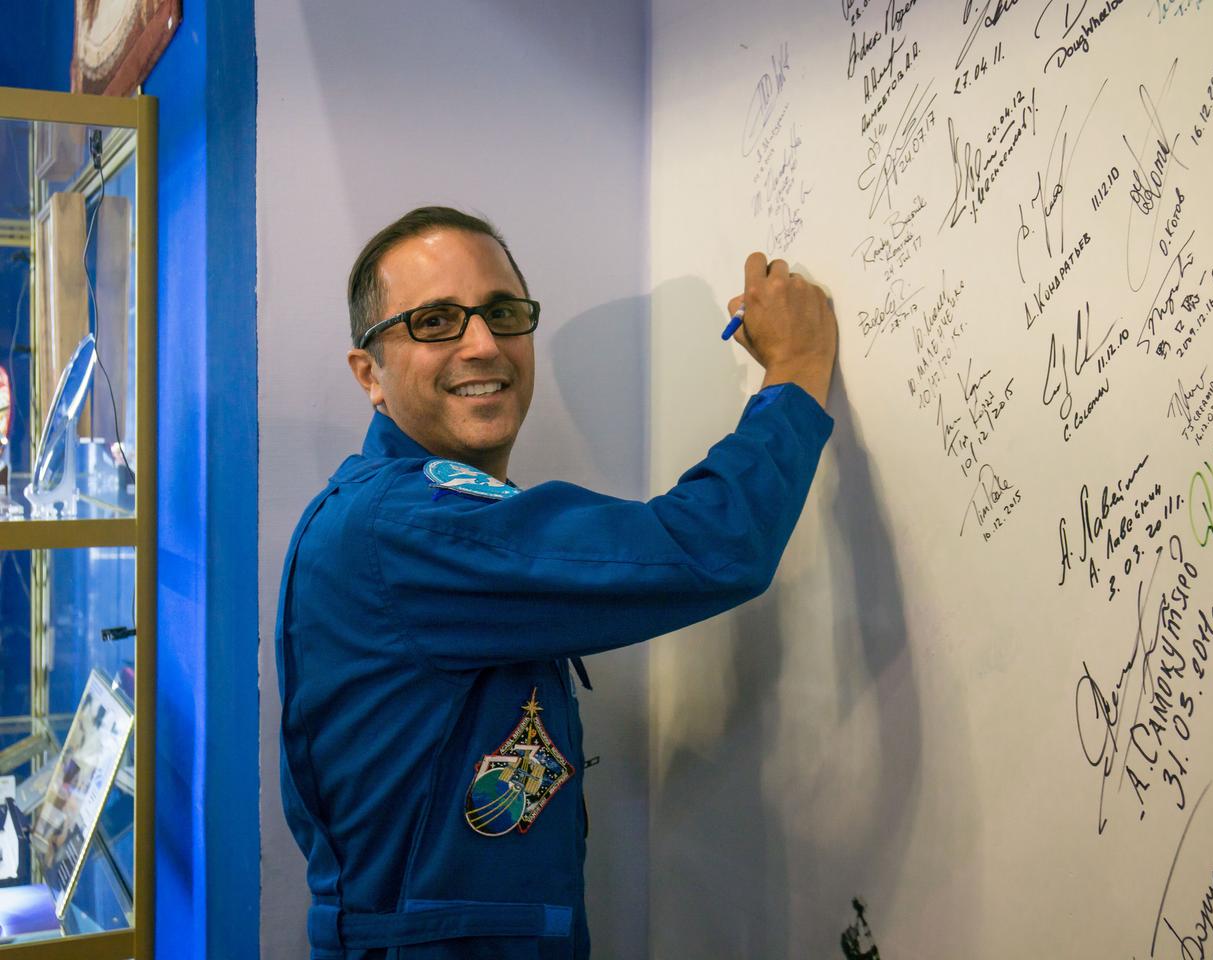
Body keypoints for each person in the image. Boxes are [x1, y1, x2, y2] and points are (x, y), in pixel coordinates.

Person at [276, 206, 838, 959]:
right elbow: (710, 545)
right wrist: (797, 371)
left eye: (503, 313)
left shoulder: (418, 514)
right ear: (369, 375)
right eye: (436, 321)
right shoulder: (406, 525)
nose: (482, 344)